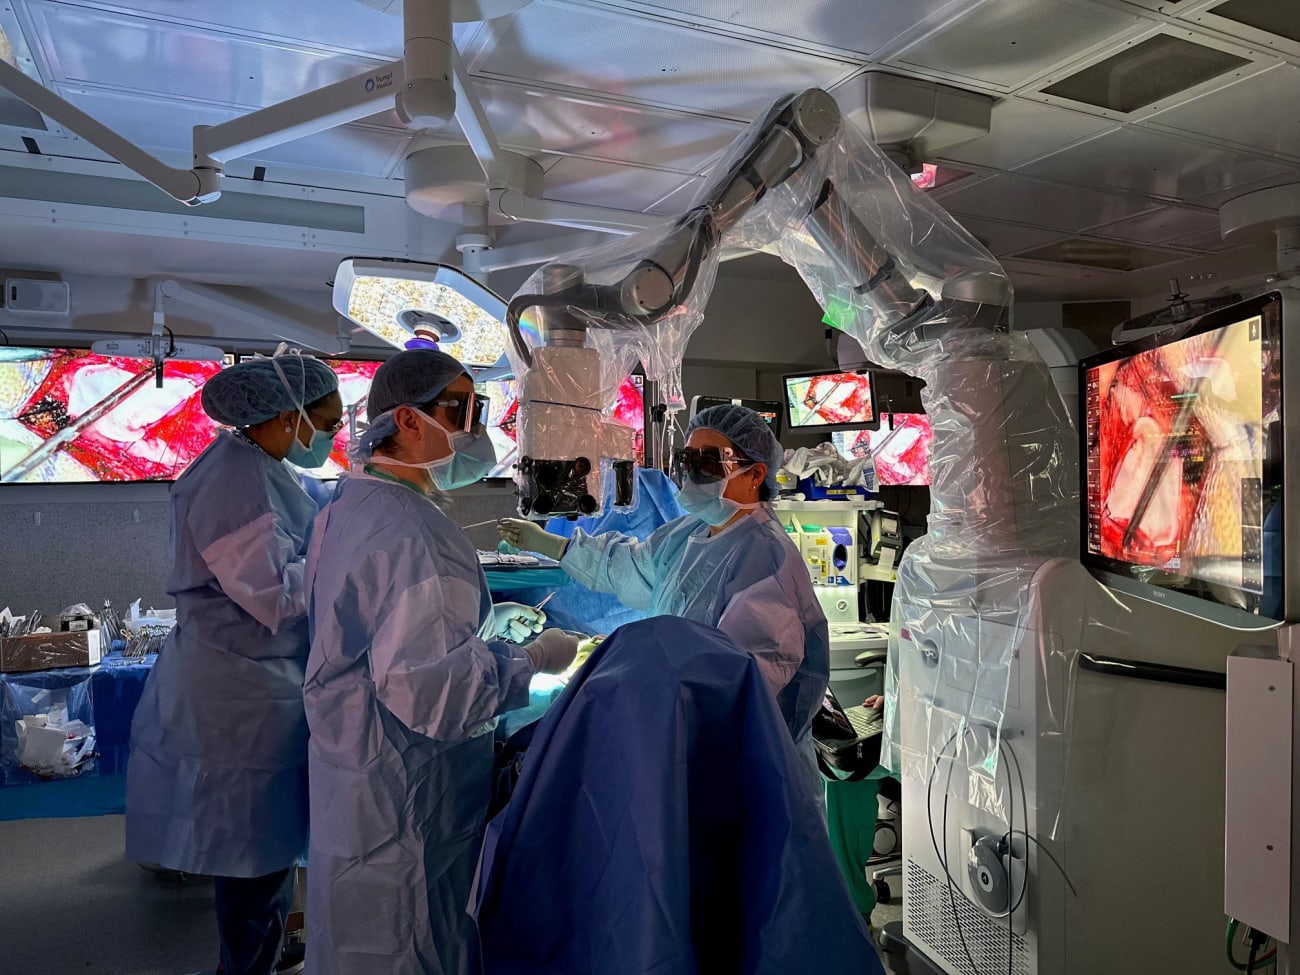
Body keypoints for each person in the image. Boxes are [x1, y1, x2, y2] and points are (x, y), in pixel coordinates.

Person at [303, 349, 578, 975]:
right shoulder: (414, 530)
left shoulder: (352, 504)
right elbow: (436, 694)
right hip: (406, 790)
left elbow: (381, 636)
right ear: (405, 420)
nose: (476, 428)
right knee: (409, 943)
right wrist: (530, 658)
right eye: (462, 409)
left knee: (355, 935)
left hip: (356, 770)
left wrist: (482, 633)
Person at [126, 351, 343, 975]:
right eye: (325, 423)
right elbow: (274, 595)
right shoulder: (231, 479)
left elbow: (311, 503)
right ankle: (247, 962)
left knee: (266, 844)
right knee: (252, 846)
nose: (332, 435)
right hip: (238, 691)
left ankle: (265, 945)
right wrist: (343, 549)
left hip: (260, 680)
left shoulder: (262, 463)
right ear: (282, 418)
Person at [499, 403, 829, 787]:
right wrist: (555, 546)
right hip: (680, 740)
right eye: (686, 459)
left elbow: (739, 681)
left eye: (709, 461)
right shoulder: (689, 534)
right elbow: (632, 569)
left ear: (755, 473)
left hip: (741, 764)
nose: (691, 472)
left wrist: (630, 678)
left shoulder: (767, 559)